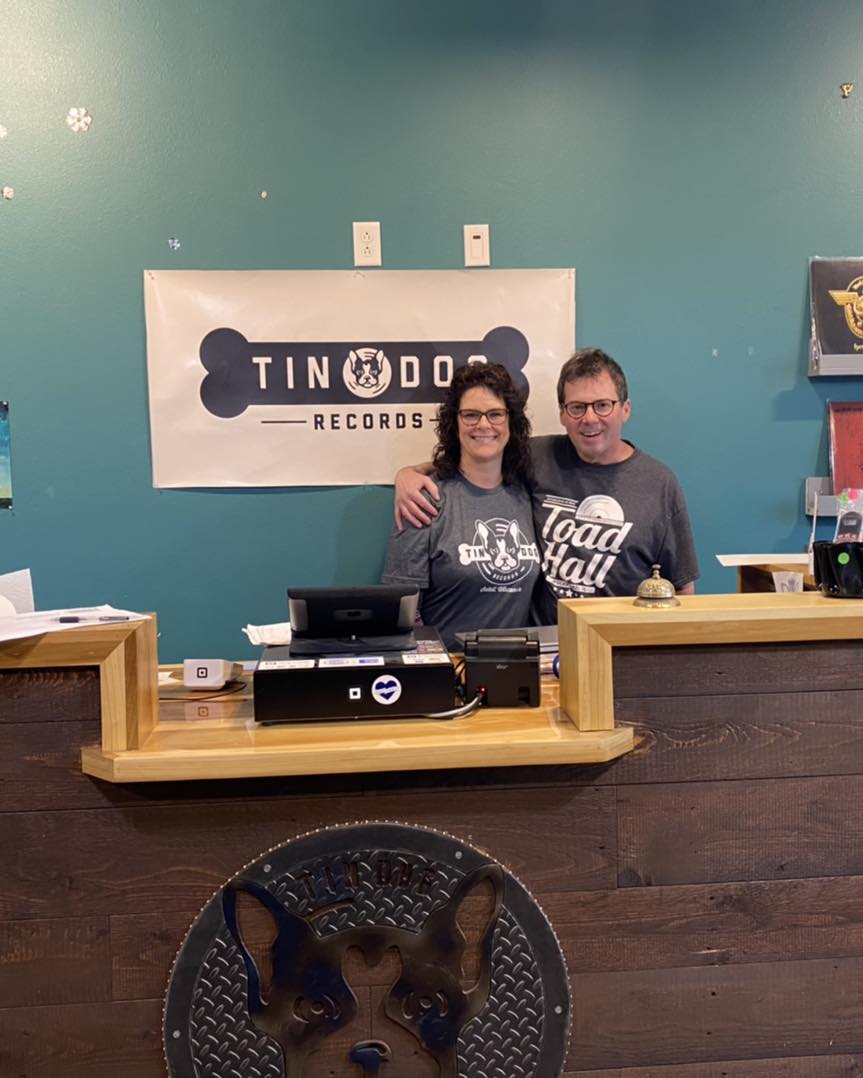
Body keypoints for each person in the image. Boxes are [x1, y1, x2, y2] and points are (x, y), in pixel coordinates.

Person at [394, 349, 699, 624]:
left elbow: (683, 589)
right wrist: (408, 474)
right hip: (544, 651)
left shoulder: (659, 484)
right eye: (577, 407)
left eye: (602, 405)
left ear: (625, 409)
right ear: (563, 414)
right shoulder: (539, 456)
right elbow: (480, 452)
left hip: (617, 648)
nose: (590, 418)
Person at [381, 362, 541, 650]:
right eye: (471, 415)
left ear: (511, 422)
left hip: (518, 667)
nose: (484, 425)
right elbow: (399, 610)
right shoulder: (424, 498)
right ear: (454, 423)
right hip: (448, 668)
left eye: (495, 414)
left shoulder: (526, 493)